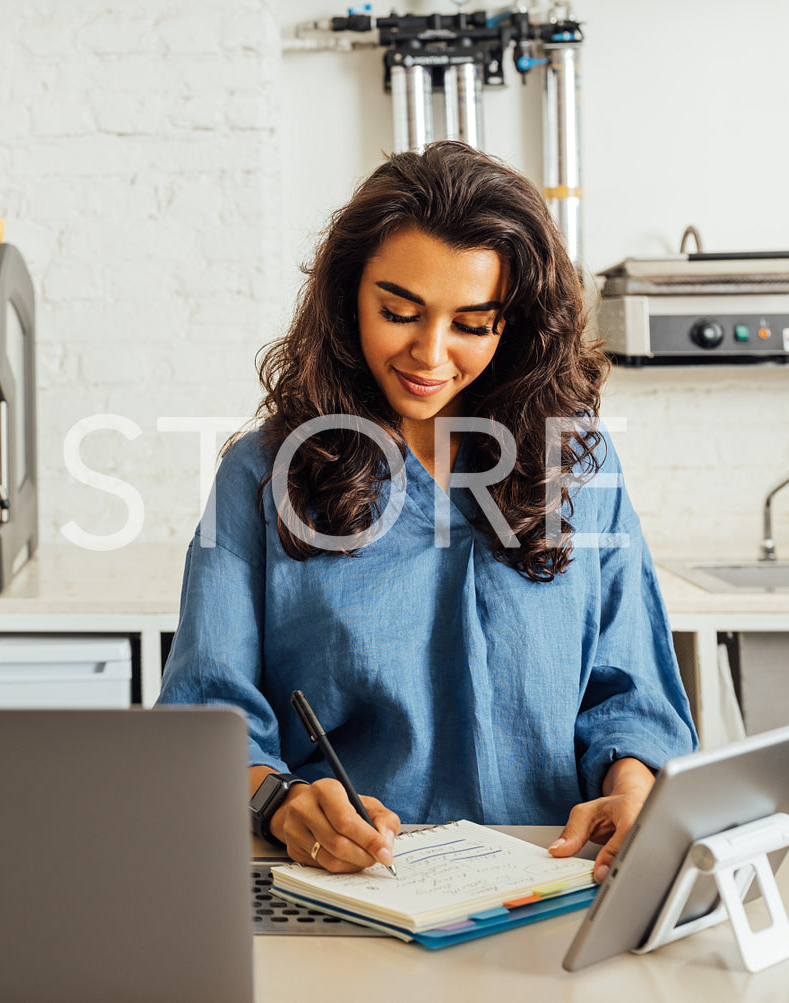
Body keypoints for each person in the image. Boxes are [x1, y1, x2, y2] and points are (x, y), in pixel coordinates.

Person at [157, 141, 696, 883]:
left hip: (555, 885)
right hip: (351, 889)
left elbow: (629, 694)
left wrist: (633, 786)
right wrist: (280, 801)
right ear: (348, 297)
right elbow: (206, 718)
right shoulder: (262, 473)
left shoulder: (579, 466)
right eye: (398, 312)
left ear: (515, 324)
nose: (429, 353)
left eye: (472, 324)